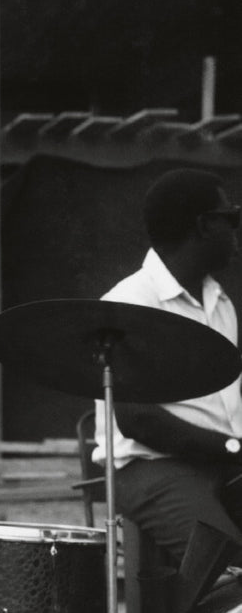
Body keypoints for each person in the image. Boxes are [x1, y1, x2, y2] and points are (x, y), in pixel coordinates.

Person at [93, 168, 242, 572]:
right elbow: (138, 420)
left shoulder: (220, 301)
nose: (236, 232)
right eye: (231, 219)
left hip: (219, 461)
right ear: (203, 225)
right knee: (227, 563)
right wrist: (231, 449)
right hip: (150, 467)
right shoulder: (131, 302)